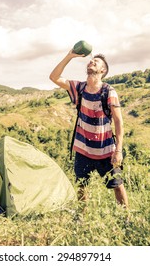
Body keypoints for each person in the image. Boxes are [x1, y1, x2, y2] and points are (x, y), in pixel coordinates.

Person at [49, 49, 129, 208]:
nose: (91, 62)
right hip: (83, 149)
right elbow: (54, 77)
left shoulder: (109, 91)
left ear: (103, 70)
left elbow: (119, 122)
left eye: (96, 62)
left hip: (106, 150)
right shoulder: (78, 87)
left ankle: (126, 217)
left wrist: (118, 150)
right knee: (81, 185)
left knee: (117, 185)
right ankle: (81, 218)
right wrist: (70, 56)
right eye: (91, 61)